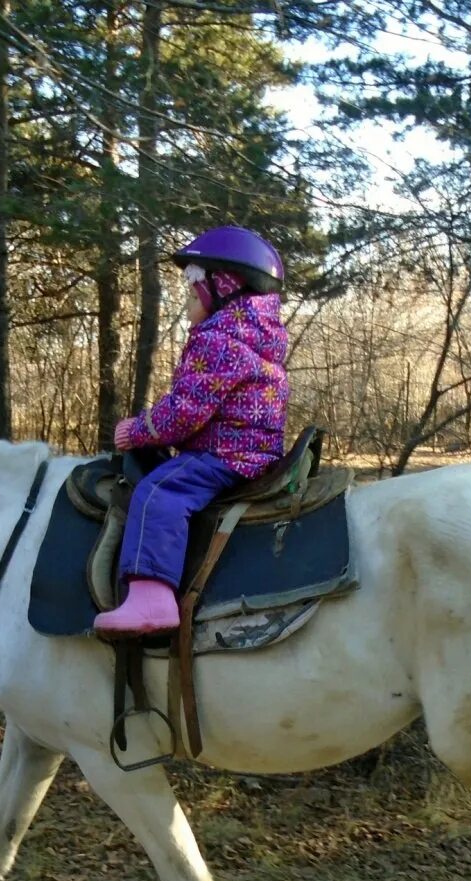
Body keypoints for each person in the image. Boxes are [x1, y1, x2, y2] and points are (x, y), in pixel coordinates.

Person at [95, 225, 289, 637]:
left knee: (159, 493)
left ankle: (152, 599)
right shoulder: (255, 340)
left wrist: (138, 430)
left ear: (221, 289)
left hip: (225, 455)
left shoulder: (219, 340)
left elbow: (184, 413)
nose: (185, 302)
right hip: (255, 453)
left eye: (189, 292)